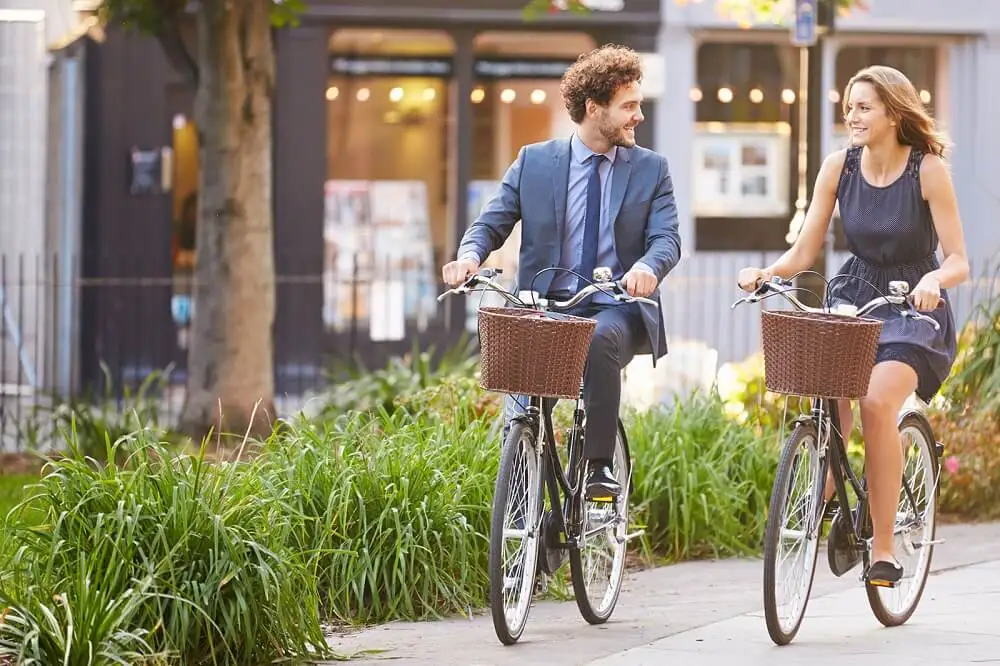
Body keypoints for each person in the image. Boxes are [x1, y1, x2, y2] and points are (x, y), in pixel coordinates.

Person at [737, 65, 969, 586]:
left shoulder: (926, 170)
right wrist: (767, 273)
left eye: (864, 106)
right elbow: (804, 249)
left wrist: (934, 278)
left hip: (913, 307)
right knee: (827, 392)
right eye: (849, 106)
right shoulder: (837, 167)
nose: (853, 115)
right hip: (854, 295)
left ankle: (883, 548)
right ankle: (829, 497)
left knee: (877, 401)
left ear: (893, 111)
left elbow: (959, 260)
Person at [442, 44, 681, 499]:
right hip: (544, 304)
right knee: (522, 409)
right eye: (628, 106)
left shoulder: (652, 170)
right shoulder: (535, 162)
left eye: (638, 105)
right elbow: (491, 222)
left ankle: (597, 468)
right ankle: (525, 495)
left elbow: (666, 238)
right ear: (594, 109)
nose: (638, 117)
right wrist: (470, 256)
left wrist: (649, 267)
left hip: (616, 307)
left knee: (598, 336)